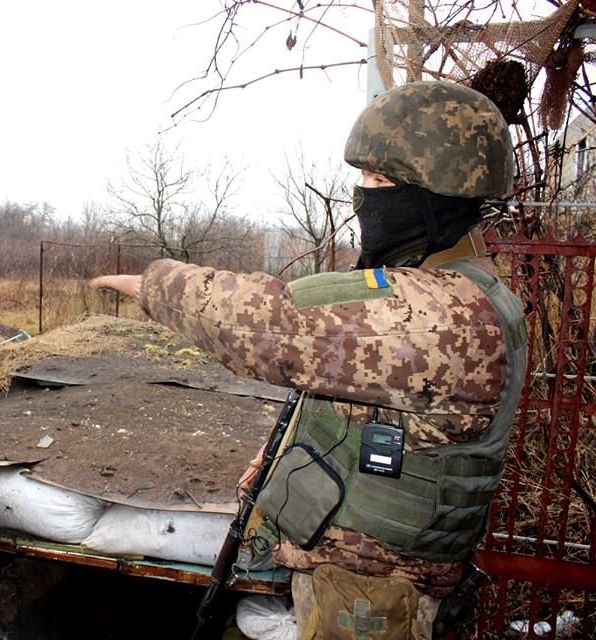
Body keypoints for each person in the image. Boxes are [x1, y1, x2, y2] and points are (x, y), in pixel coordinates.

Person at [89, 80, 527, 639]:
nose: (363, 196)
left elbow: (273, 325)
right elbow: (349, 382)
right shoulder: (455, 289)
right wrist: (275, 458)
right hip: (366, 580)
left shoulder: (446, 314)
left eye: (380, 181)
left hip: (375, 600)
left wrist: (153, 284)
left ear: (437, 196)